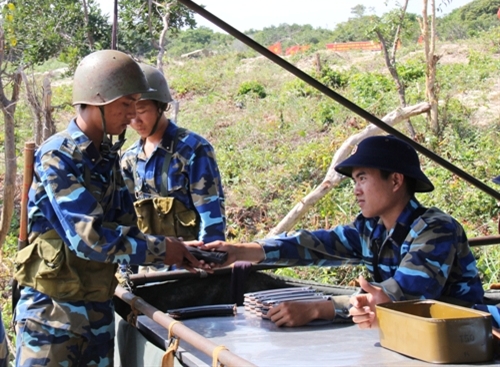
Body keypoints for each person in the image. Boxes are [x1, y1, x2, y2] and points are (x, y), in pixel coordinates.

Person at [13, 50, 203, 366]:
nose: (132, 114)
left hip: (97, 315)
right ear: (98, 99)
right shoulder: (58, 157)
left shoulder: (106, 157)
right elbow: (89, 238)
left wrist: (179, 249)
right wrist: (161, 250)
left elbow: (128, 227)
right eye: (126, 104)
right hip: (53, 320)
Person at [205, 135, 484, 327]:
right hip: (408, 339)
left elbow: (401, 296)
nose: (356, 190)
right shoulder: (371, 229)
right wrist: (241, 251)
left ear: (396, 180)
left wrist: (317, 309)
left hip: (463, 340)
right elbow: (315, 244)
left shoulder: (435, 229)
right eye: (354, 180)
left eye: (363, 178)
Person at [120, 63, 226, 247]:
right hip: (149, 267)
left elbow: (211, 219)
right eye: (129, 113)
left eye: (142, 110)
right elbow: (127, 221)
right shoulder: (130, 159)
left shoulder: (193, 150)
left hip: (191, 264)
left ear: (161, 106)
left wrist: (208, 261)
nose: (135, 121)